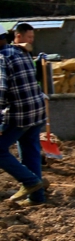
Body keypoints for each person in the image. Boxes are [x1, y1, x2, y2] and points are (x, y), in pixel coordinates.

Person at [1, 26, 50, 206]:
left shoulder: (1, 58)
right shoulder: (20, 52)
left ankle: (29, 182)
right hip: (36, 111)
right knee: (30, 151)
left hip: (20, 114)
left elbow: (0, 91)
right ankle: (37, 198)